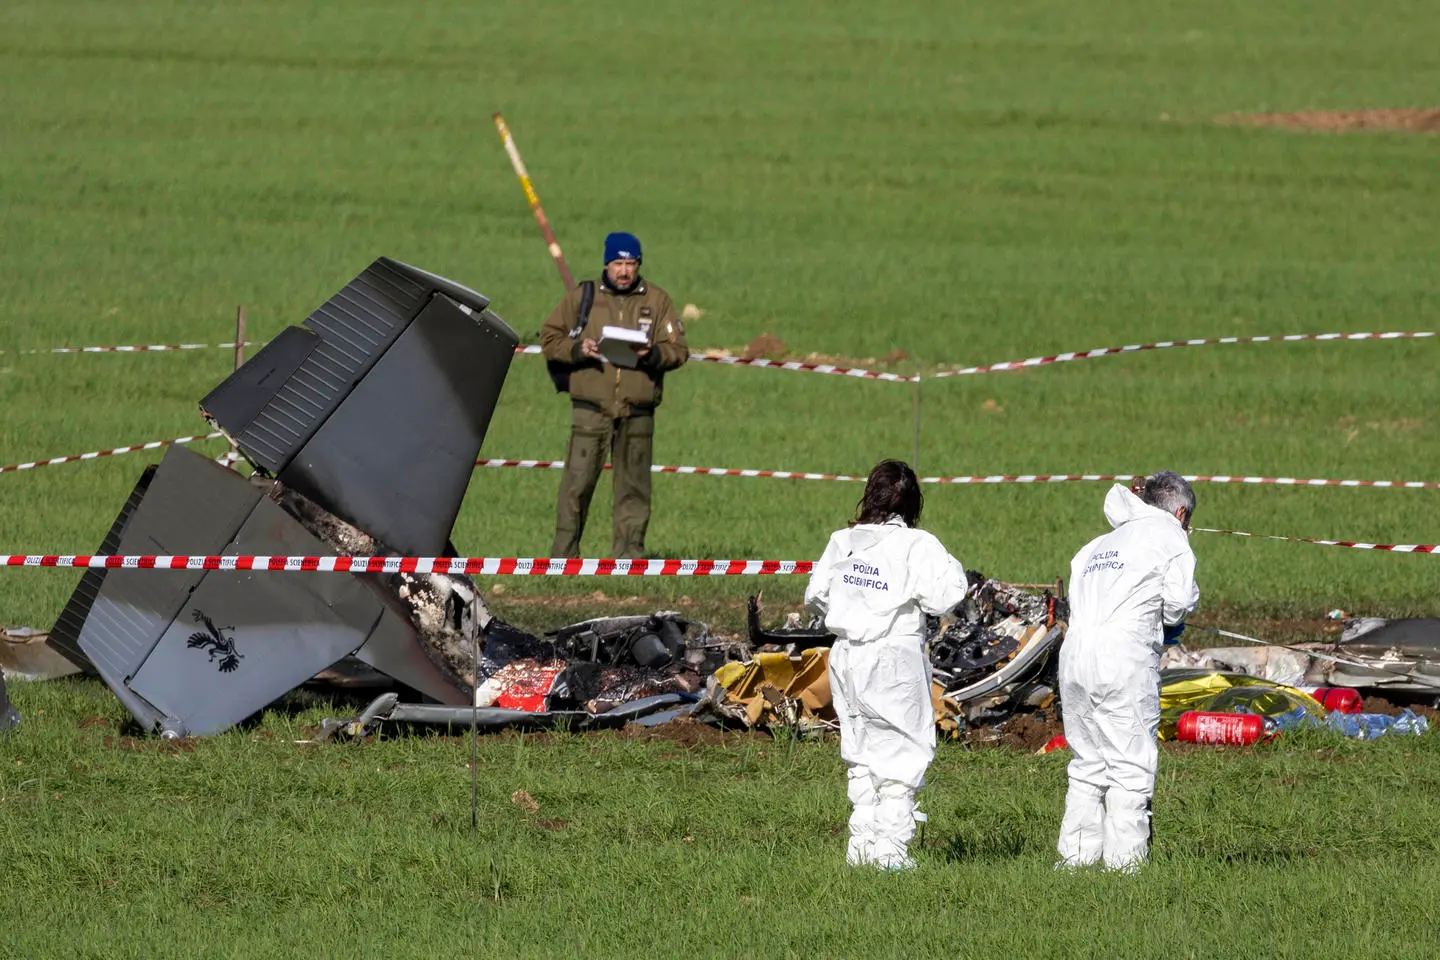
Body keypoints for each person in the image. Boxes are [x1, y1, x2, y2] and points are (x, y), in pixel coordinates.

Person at [804, 460, 970, 870]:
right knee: (902, 751)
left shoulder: (842, 541)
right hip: (893, 655)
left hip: (846, 655)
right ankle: (891, 853)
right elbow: (947, 594)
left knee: (859, 749)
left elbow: (817, 594)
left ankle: (861, 846)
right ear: (913, 503)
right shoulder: (918, 545)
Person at [1056, 471, 1200, 872]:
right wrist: (1169, 626)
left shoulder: (1096, 546)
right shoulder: (1171, 536)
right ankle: (1126, 871)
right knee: (1130, 767)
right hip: (1122, 661)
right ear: (1181, 512)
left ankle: (1075, 863)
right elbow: (1177, 604)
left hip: (1075, 660)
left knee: (1087, 764)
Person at [539, 232, 688, 558]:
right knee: (576, 486)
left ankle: (628, 559)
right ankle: (562, 559)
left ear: (638, 265)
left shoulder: (658, 301)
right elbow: (549, 339)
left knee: (634, 489)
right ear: (607, 264)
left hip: (638, 411)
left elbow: (679, 350)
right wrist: (579, 349)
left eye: (630, 263)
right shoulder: (583, 298)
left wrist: (652, 354)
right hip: (590, 409)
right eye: (618, 263)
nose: (624, 270)